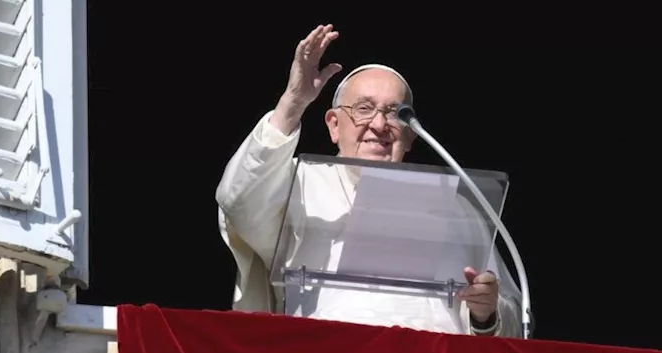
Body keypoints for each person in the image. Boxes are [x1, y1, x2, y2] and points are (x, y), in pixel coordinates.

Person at [215, 24, 522, 337]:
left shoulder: (457, 207)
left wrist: (486, 315)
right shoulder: (298, 183)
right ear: (334, 126)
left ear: (410, 134)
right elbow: (239, 200)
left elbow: (512, 315)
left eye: (395, 113)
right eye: (363, 108)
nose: (378, 124)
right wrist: (293, 102)